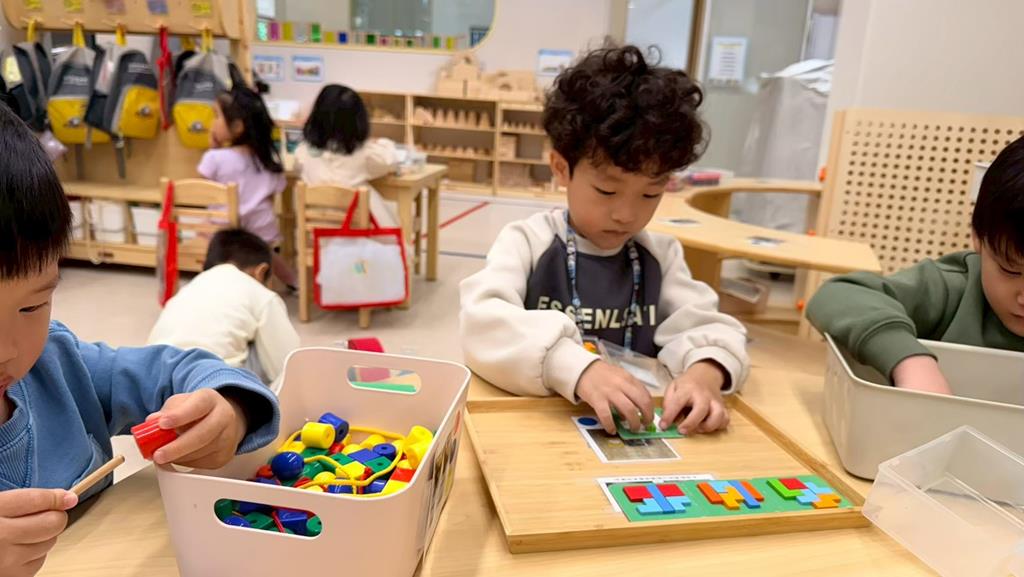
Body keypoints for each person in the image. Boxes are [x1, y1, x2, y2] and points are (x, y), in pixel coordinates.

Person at [0, 103, 280, 576]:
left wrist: (230, 409)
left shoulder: (57, 363)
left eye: (32, 306)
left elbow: (179, 370)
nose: (7, 349)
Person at [459, 45, 749, 436]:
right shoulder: (527, 242)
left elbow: (708, 327)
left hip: (634, 434)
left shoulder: (660, 256)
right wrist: (574, 367)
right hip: (539, 429)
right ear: (561, 168)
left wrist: (704, 374)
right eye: (607, 191)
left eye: (650, 194)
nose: (626, 214)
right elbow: (482, 323)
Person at [806, 134, 1024, 395]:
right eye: (1010, 270)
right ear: (978, 237)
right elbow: (838, 295)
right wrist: (910, 361)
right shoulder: (953, 290)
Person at [148, 228, 301, 385]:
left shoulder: (187, 290)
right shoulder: (260, 293)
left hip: (152, 378)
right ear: (261, 272)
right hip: (210, 382)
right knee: (266, 344)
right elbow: (289, 365)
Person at [197, 86, 295, 286]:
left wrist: (213, 148)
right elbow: (276, 191)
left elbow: (201, 190)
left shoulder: (215, 158)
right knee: (265, 250)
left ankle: (211, 284)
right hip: (260, 229)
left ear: (237, 127)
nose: (212, 123)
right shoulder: (268, 160)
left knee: (205, 232)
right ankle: (294, 282)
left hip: (223, 231)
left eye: (217, 116)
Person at [293, 84, 399, 227]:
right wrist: (382, 143)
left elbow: (297, 168)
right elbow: (390, 160)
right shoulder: (364, 153)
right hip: (354, 235)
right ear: (358, 121)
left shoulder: (302, 152)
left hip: (316, 233)